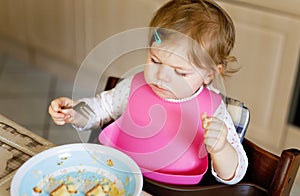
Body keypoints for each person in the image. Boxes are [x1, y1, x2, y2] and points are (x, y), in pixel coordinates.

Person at [48, 0, 248, 185]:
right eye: (155, 60)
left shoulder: (215, 110)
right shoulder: (135, 86)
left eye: (180, 72)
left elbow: (235, 174)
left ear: (210, 74)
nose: (161, 76)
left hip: (172, 193)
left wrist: (221, 149)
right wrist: (76, 113)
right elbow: (102, 108)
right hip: (116, 176)